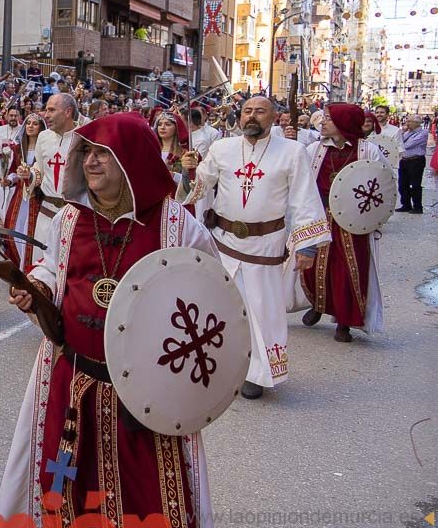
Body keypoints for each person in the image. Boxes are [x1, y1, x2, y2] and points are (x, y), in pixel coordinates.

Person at [0, 113, 223, 528]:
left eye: (103, 152)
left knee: (145, 491)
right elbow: (52, 268)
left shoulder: (175, 225)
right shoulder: (70, 219)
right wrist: (35, 286)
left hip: (144, 393)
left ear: (132, 159)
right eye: (87, 152)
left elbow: (210, 294)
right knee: (73, 483)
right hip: (76, 378)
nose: (91, 160)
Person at [182, 96, 329, 399]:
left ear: (274, 117)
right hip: (223, 242)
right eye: (247, 110)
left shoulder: (292, 152)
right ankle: (218, 366)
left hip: (266, 244)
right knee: (219, 305)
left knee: (262, 309)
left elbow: (304, 199)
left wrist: (308, 247)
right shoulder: (222, 148)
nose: (252, 116)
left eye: (260, 111)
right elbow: (200, 186)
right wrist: (188, 171)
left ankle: (258, 372)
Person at [299, 104, 387, 342]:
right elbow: (302, 184)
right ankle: (319, 305)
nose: (323, 123)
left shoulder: (368, 151)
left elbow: (382, 184)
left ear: (343, 123)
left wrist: (373, 217)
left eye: (328, 119)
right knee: (317, 265)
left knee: (349, 269)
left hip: (352, 220)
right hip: (320, 213)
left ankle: (344, 320)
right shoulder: (313, 149)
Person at [0, 112, 46, 268]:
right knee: (14, 227)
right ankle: (18, 263)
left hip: (37, 196)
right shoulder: (18, 149)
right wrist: (9, 179)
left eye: (35, 124)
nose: (31, 126)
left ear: (41, 128)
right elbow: (13, 171)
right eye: (28, 123)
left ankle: (31, 265)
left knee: (31, 230)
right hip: (20, 196)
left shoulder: (44, 149)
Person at [33, 92, 79, 251]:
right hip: (46, 212)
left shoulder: (84, 137)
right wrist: (29, 175)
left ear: (68, 112)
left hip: (74, 215)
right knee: (40, 261)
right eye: (46, 110)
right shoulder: (43, 137)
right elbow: (39, 169)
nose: (46, 115)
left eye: (52, 110)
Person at [397, 115, 427, 214]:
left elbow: (406, 145)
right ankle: (406, 204)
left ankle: (417, 206)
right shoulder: (407, 132)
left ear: (416, 123)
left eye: (409, 121)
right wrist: (401, 133)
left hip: (416, 160)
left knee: (415, 185)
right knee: (402, 184)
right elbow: (398, 142)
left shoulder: (423, 133)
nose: (407, 123)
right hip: (405, 160)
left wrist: (399, 141)